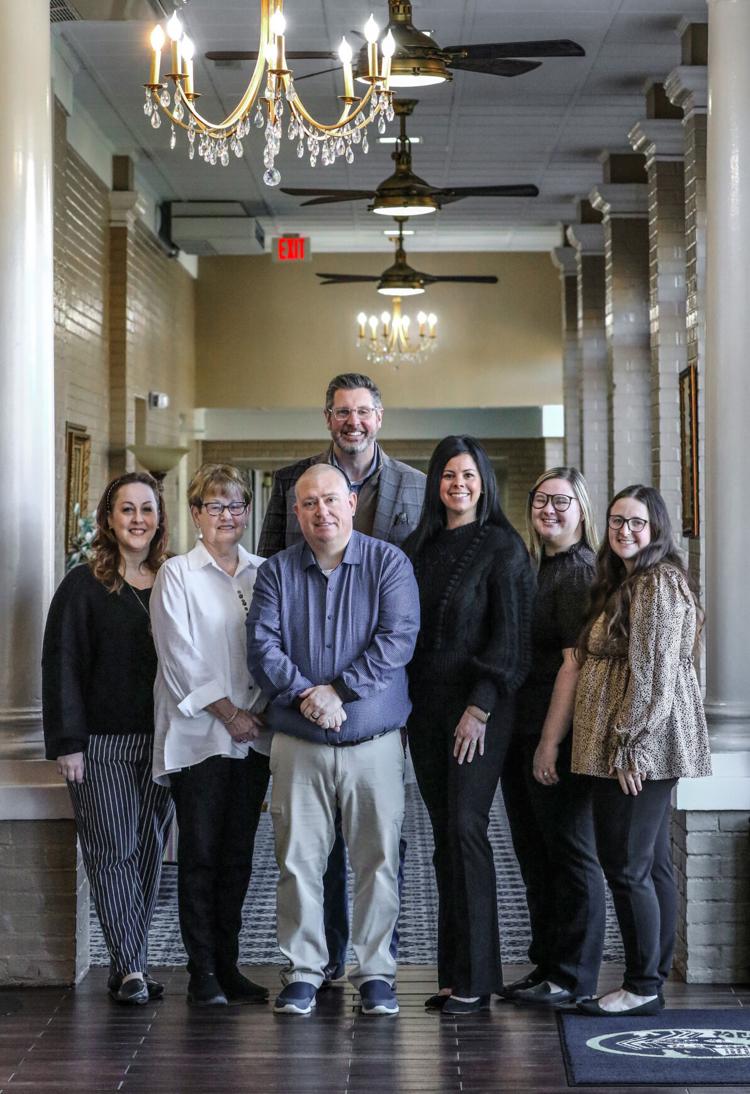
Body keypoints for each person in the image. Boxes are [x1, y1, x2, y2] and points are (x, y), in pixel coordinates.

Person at [258, 371, 425, 982]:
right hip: (301, 716)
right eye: (341, 412)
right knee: (302, 856)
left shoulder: (413, 493)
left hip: (376, 708)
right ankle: (315, 964)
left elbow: (400, 630)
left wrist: (342, 691)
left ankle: (375, 970)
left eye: (363, 412)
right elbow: (266, 624)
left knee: (379, 853)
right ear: (327, 418)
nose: (352, 422)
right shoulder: (292, 496)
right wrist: (307, 693)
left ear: (378, 416)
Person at [403, 435, 535, 1016]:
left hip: (480, 710)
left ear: (485, 482)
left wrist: (479, 708)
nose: (459, 483)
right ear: (436, 483)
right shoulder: (419, 547)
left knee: (465, 829)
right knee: (443, 841)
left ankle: (480, 977)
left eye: (469, 474)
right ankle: (455, 976)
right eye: (449, 474)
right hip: (426, 712)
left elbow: (511, 645)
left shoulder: (504, 548)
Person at [573, 485, 712, 1017]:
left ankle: (641, 985)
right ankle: (649, 978)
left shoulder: (657, 585)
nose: (625, 531)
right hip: (631, 745)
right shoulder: (629, 581)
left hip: (637, 749)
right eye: (616, 522)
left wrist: (631, 747)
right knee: (650, 866)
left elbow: (655, 677)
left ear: (656, 529)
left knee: (628, 867)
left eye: (636, 522)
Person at [42, 472, 174, 1006]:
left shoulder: (174, 579)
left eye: (147, 509)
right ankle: (131, 967)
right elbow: (62, 665)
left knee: (146, 853)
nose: (138, 519)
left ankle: (129, 964)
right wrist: (67, 742)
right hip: (99, 745)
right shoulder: (83, 584)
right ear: (109, 518)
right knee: (111, 850)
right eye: (127, 509)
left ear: (160, 518)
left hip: (165, 741)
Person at [150, 464, 271, 1008]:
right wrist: (229, 713)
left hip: (254, 737)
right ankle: (201, 972)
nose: (228, 516)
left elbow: (275, 648)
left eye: (237, 506)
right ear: (196, 513)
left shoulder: (263, 571)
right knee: (199, 855)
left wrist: (255, 713)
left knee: (238, 856)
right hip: (201, 738)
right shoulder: (177, 574)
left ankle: (229, 962)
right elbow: (180, 658)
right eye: (216, 506)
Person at [501, 467, 605, 1008]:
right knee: (536, 856)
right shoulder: (544, 567)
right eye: (540, 500)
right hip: (525, 730)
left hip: (557, 737)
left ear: (582, 509)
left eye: (561, 502)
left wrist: (547, 743)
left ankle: (574, 975)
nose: (549, 510)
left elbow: (573, 666)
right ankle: (546, 965)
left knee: (570, 854)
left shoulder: (578, 572)